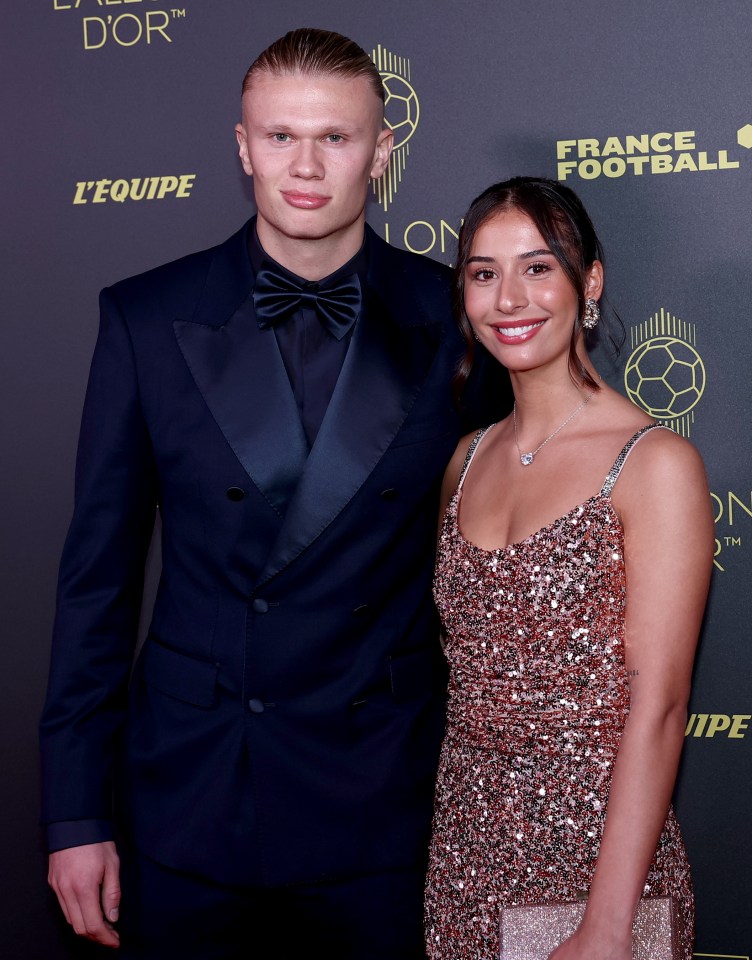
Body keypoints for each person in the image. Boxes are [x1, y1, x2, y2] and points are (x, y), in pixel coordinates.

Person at [40, 28, 508, 959]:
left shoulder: (461, 318)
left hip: (382, 799)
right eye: (281, 136)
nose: (305, 165)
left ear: (381, 149)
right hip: (191, 796)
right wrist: (73, 812)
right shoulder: (143, 316)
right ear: (242, 144)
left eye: (335, 138)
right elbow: (97, 583)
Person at [424, 177, 714, 960]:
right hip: (464, 861)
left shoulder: (654, 464)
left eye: (537, 267)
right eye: (483, 273)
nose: (509, 298)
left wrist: (607, 925)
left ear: (589, 282)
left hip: (598, 871)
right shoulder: (465, 459)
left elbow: (660, 704)